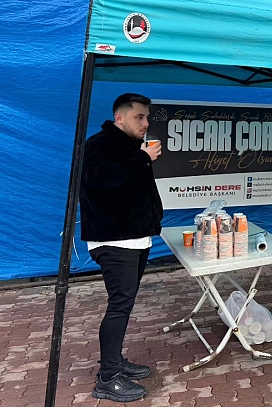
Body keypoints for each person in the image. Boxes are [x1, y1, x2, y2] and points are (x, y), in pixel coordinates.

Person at [80, 93, 164, 403]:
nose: (145, 123)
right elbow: (102, 180)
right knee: (119, 305)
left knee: (124, 305)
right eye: (139, 117)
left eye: (147, 117)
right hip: (114, 240)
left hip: (135, 237)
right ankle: (107, 378)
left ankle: (115, 361)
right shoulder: (100, 144)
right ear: (120, 118)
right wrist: (142, 158)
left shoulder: (131, 147)